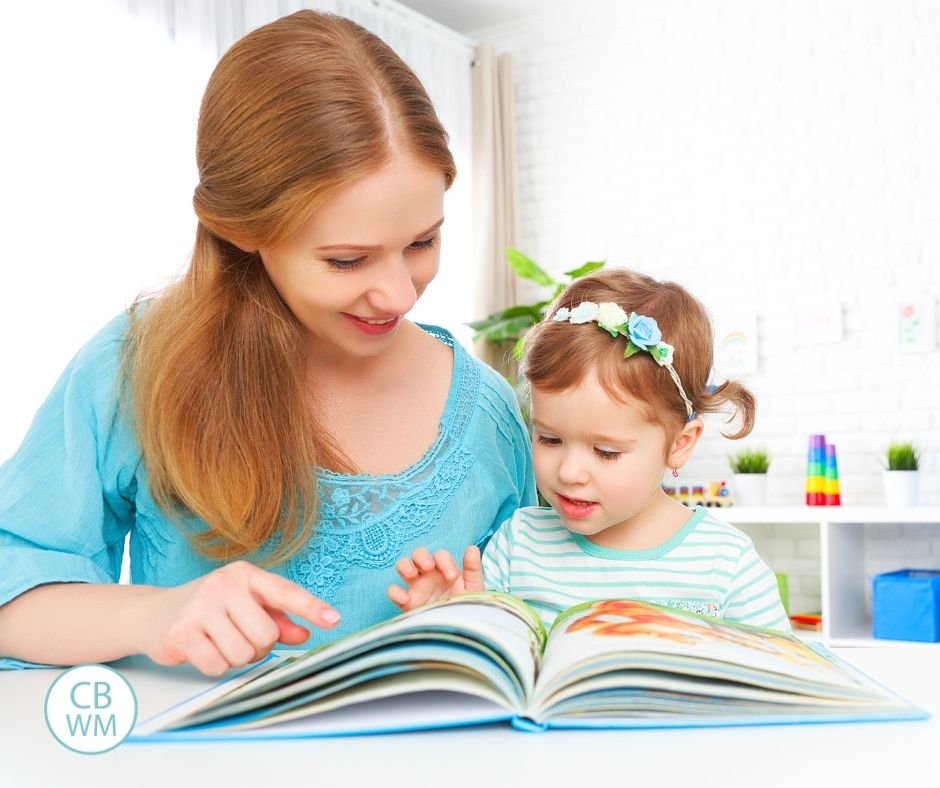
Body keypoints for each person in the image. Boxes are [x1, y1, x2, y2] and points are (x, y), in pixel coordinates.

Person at [0, 11, 535, 676]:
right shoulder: (137, 367)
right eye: (347, 260)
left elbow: (535, 625)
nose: (399, 294)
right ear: (243, 229)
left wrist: (477, 619)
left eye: (423, 242)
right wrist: (152, 616)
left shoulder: (488, 417)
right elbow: (12, 588)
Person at [388, 268, 790, 633]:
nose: (570, 472)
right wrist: (451, 619)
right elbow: (488, 670)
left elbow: (789, 684)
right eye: (549, 439)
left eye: (606, 451)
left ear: (679, 445)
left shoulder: (726, 564)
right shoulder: (518, 546)